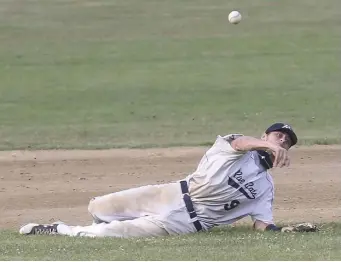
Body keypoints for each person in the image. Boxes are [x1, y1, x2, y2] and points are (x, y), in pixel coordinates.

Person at [19, 122, 317, 237]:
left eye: (287, 142)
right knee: (97, 207)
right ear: (265, 136)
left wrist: (282, 232)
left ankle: (58, 230)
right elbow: (240, 142)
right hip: (169, 194)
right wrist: (267, 145)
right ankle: (98, 221)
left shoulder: (266, 188)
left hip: (186, 223)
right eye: (279, 136)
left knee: (106, 236)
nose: (283, 142)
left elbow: (261, 222)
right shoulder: (234, 148)